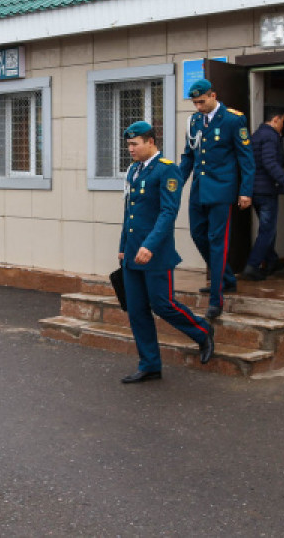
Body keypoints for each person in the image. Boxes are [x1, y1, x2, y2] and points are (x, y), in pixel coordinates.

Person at [118, 121, 215, 383]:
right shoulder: (134, 171)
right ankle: (149, 364)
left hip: (155, 253)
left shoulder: (167, 171)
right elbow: (129, 212)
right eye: (128, 144)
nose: (130, 149)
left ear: (151, 142)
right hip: (132, 254)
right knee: (137, 311)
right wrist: (122, 248)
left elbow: (168, 213)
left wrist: (149, 245)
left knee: (163, 304)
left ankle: (202, 331)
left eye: (134, 144)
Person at [177, 79, 254, 319]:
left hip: (221, 190)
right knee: (198, 235)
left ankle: (216, 298)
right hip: (199, 188)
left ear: (213, 95)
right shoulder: (194, 121)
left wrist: (246, 191)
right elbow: (189, 155)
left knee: (216, 241)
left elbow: (246, 159)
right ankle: (228, 278)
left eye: (202, 102)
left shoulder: (233, 119)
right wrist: (176, 183)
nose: (198, 107)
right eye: (195, 103)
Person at [244, 107, 284, 281]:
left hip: (254, 189)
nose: (283, 126)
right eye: (283, 122)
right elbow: (269, 162)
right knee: (267, 230)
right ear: (276, 119)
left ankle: (272, 260)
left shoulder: (257, 135)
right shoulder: (270, 136)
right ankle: (252, 266)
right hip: (266, 190)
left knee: (267, 228)